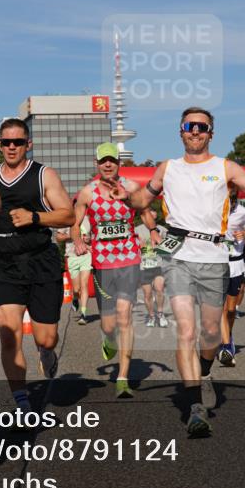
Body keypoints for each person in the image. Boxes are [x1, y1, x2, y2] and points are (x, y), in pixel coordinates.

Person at [127, 107, 245, 436]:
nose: (195, 131)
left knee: (211, 332)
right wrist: (127, 196)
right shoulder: (168, 168)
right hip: (177, 254)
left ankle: (205, 371)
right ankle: (195, 406)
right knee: (186, 330)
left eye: (201, 127)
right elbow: (143, 200)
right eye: (189, 126)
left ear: (211, 133)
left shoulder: (226, 167)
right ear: (180, 131)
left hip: (213, 257)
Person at [0, 118, 74, 414]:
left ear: (28, 145)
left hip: (40, 259)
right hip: (5, 263)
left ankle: (46, 354)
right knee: (9, 333)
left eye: (18, 142)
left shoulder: (43, 175)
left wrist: (35, 217)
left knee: (46, 337)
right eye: (6, 142)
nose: (11, 147)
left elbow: (68, 216)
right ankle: (21, 399)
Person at [72, 143, 155, 398]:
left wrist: (152, 231)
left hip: (129, 259)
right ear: (97, 164)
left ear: (119, 162)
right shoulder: (88, 193)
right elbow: (75, 224)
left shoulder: (130, 188)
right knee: (108, 325)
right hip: (102, 263)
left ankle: (123, 377)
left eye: (112, 160)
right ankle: (108, 340)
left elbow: (145, 210)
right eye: (103, 161)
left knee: (125, 316)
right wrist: (77, 239)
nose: (108, 164)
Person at [219, 185, 245, 367]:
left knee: (231, 310)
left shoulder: (243, 212)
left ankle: (228, 334)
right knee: (221, 307)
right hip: (217, 262)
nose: (229, 203)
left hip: (236, 263)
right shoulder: (212, 209)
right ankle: (226, 346)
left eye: (232, 200)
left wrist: (244, 232)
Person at [55, 214, 92, 324]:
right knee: (76, 289)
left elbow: (94, 235)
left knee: (84, 284)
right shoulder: (67, 219)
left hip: (86, 254)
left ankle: (83, 314)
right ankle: (75, 298)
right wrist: (73, 236)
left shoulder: (88, 219)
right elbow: (58, 237)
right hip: (72, 256)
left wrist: (88, 238)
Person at [136, 208, 169, 328]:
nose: (151, 214)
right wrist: (140, 247)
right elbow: (133, 248)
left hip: (158, 264)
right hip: (144, 266)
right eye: (148, 213)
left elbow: (168, 247)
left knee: (159, 289)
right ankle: (151, 316)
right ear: (143, 216)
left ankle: (160, 314)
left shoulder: (162, 229)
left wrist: (161, 246)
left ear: (155, 215)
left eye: (152, 212)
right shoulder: (136, 230)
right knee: (148, 294)